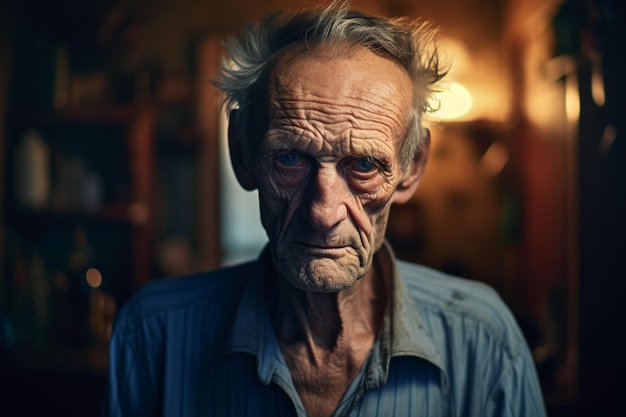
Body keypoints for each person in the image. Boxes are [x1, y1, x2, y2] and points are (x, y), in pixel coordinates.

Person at [103, 2, 547, 416]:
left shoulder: (483, 339)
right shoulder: (153, 334)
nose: (323, 212)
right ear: (241, 153)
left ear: (411, 168)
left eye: (365, 165)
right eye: (291, 159)